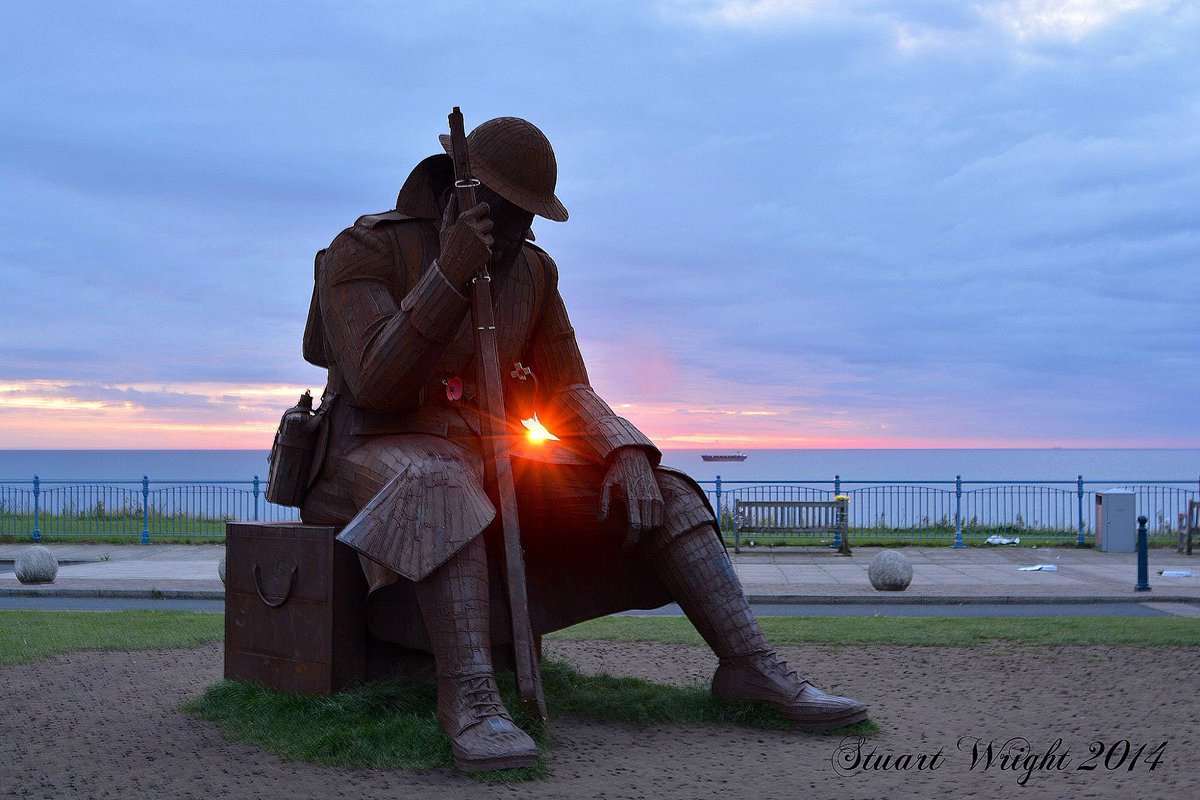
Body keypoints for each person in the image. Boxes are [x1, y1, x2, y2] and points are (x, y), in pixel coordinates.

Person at [297, 116, 867, 772]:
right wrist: (448, 276)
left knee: (669, 492)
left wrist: (624, 449)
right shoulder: (364, 250)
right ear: (462, 189)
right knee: (438, 482)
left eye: (527, 218)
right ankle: (472, 699)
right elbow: (372, 381)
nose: (516, 233)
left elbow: (566, 390)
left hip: (479, 452)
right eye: (505, 212)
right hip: (367, 449)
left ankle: (751, 667)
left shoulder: (534, 272)